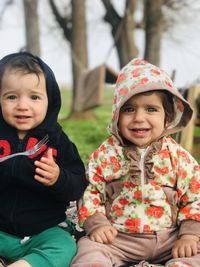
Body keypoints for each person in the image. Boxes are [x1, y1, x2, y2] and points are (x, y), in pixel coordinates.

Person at [71, 58, 200, 267]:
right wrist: (97, 224)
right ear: (116, 115)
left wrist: (189, 235)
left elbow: (195, 196)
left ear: (167, 117)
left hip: (170, 237)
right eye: (129, 109)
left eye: (151, 109)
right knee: (88, 248)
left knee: (195, 252)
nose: (139, 118)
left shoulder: (178, 156)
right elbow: (90, 191)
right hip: (119, 238)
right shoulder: (106, 155)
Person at [0, 52, 87, 267]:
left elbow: (78, 185)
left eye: (34, 97)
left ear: (50, 100)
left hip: (44, 230)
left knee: (65, 247)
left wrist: (59, 178)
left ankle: (26, 264)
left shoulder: (57, 140)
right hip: (1, 229)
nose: (22, 105)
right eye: (12, 97)